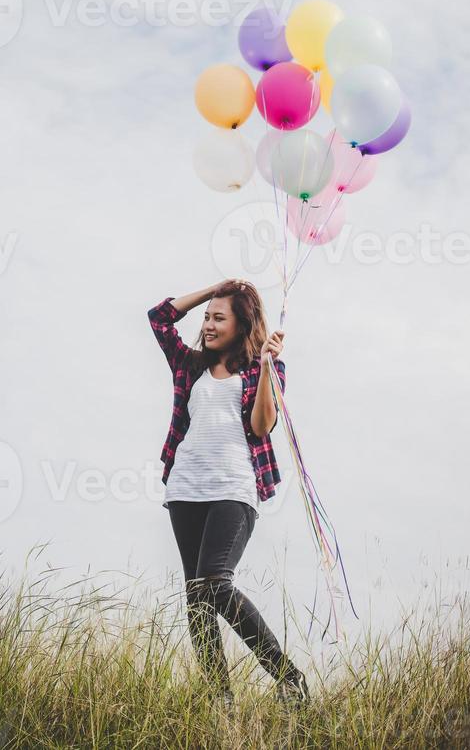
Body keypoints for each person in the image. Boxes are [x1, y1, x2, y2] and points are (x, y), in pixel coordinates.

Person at [147, 278, 310, 711]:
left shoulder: (264, 369)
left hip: (234, 488)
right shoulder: (191, 364)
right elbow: (159, 318)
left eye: (220, 317)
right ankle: (220, 699)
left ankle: (288, 677)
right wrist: (212, 290)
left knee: (215, 583)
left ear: (242, 325)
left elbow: (261, 426)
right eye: (207, 317)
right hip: (185, 488)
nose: (209, 324)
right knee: (196, 597)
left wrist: (268, 367)